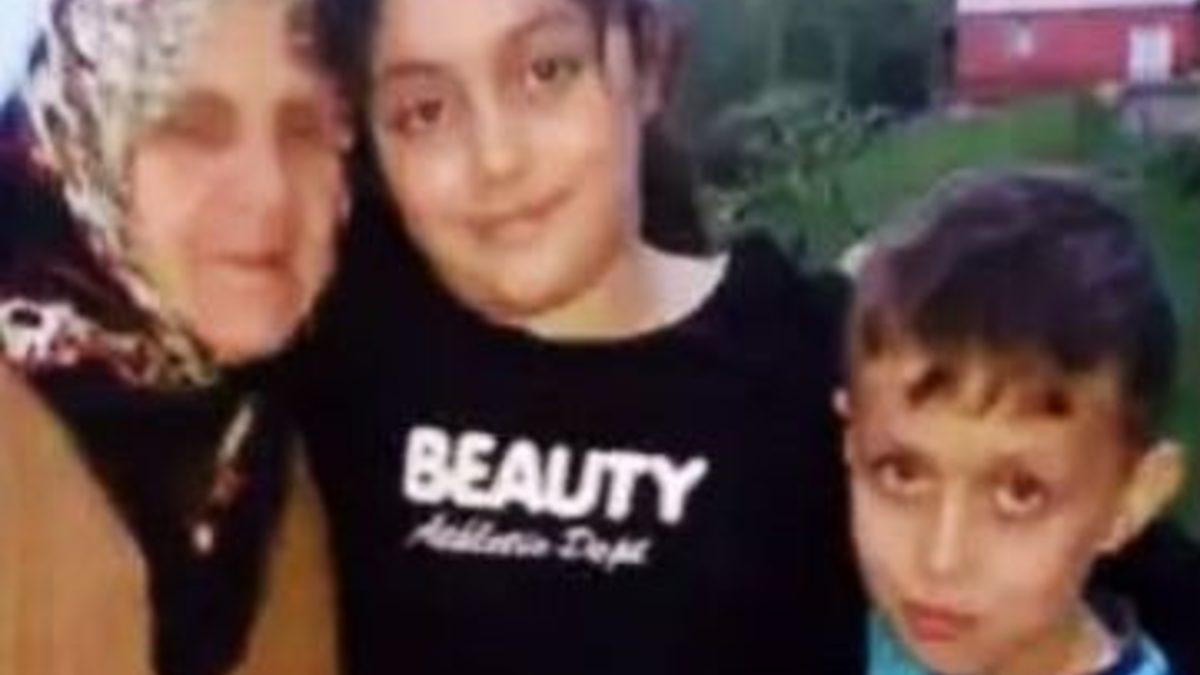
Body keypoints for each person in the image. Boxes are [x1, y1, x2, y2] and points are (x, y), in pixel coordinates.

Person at [300, 0, 864, 672]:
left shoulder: (816, 364)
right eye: (425, 113)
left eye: (546, 72)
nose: (497, 157)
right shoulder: (345, 346)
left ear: (648, 60)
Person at [0, 0, 348, 672]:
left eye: (304, 127)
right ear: (80, 136)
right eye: (192, 128)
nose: (269, 192)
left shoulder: (265, 464)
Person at [838, 173, 1185, 674]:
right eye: (902, 474)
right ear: (850, 443)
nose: (941, 560)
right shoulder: (811, 633)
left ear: (1132, 497)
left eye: (1021, 494)